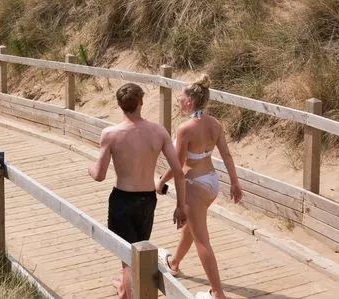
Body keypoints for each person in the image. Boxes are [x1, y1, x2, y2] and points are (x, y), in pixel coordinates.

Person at [88, 83, 187, 299]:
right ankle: (125, 289)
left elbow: (99, 175)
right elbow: (179, 172)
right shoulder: (159, 132)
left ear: (119, 105)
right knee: (138, 253)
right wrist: (180, 206)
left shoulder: (111, 134)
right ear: (141, 102)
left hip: (122, 199)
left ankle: (127, 291)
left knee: (128, 258)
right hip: (147, 199)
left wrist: (90, 169)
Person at [156, 75, 243, 299]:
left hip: (193, 186)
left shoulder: (186, 128)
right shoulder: (214, 123)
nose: (178, 101)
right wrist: (234, 182)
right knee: (193, 228)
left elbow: (177, 166)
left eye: (180, 98)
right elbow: (227, 154)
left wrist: (161, 182)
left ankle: (218, 293)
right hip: (211, 183)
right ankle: (174, 262)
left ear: (190, 101)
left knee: (202, 241)